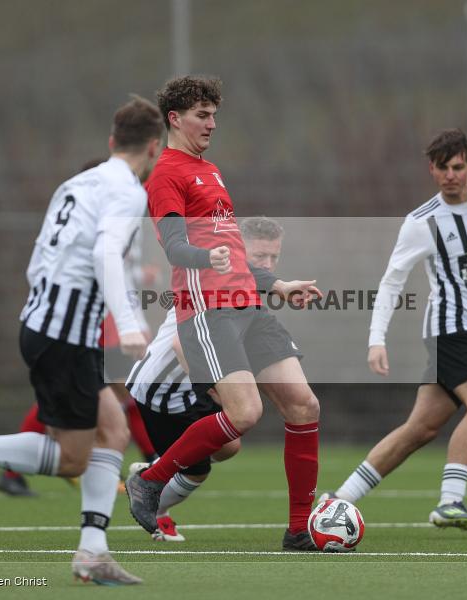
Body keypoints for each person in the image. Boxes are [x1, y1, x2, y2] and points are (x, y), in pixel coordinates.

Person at [0, 96, 165, 585]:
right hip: (65, 336)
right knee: (72, 457)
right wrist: (128, 323)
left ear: (110, 142)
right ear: (154, 147)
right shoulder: (127, 191)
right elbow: (107, 253)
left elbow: (42, 259)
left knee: (114, 431)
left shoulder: (77, 183)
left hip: (46, 324)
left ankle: (93, 551)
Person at [125, 76, 324, 551]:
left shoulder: (209, 170)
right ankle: (149, 481)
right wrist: (202, 258)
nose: (212, 123)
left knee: (304, 405)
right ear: (174, 119)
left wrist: (277, 284)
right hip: (208, 313)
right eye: (202, 115)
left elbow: (233, 253)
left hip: (249, 308)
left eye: (214, 115)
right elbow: (174, 246)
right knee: (246, 413)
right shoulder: (167, 174)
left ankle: (299, 531)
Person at [321, 129, 467, 532]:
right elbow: (392, 281)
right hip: (449, 328)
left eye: (458, 167)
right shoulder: (422, 222)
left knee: (420, 428)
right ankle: (450, 501)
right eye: (443, 168)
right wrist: (376, 339)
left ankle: (338, 499)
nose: (451, 175)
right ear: (432, 170)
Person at [0, 158, 157, 498]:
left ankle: (151, 467)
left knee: (112, 394)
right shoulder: (116, 207)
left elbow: (120, 268)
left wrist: (141, 282)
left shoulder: (110, 207)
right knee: (118, 393)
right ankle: (154, 466)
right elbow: (107, 266)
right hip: (98, 322)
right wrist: (133, 322)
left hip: (102, 319)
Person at [125, 216, 285, 542]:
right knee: (198, 469)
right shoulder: (217, 282)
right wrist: (223, 392)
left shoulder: (244, 287)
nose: (267, 264)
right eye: (259, 257)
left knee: (228, 445)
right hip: (162, 388)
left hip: (188, 387)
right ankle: (152, 493)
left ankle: (153, 474)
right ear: (239, 251)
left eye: (274, 257)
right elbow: (180, 344)